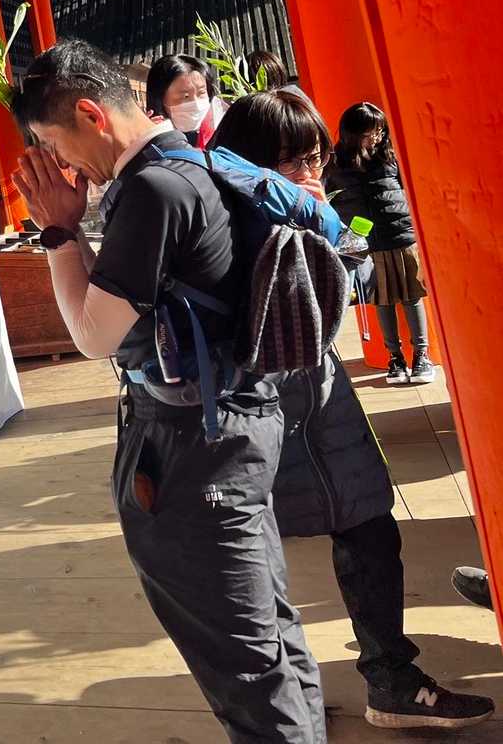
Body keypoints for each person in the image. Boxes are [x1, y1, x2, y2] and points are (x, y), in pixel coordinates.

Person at [11, 40, 324, 743]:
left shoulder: (152, 191)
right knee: (267, 636)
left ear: (90, 114)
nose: (60, 164)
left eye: (53, 143)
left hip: (193, 448)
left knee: (243, 662)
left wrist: (58, 231)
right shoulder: (191, 162)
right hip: (235, 425)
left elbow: (91, 333)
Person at [209, 91, 495, 732]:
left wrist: (331, 230)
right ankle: (281, 698)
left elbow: (355, 281)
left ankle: (391, 679)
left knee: (369, 529)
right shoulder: (223, 223)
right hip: (256, 409)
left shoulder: (314, 207)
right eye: (294, 161)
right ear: (252, 162)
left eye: (316, 158)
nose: (311, 173)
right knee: (254, 556)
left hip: (322, 398)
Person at [326, 102, 436, 385]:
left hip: (400, 233)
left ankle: (421, 355)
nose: (377, 136)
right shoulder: (336, 163)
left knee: (411, 296)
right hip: (365, 241)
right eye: (371, 131)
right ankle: (394, 358)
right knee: (381, 300)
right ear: (353, 132)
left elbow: (408, 188)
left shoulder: (389, 156)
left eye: (379, 130)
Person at [145, 53, 230, 147]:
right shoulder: (148, 137)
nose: (196, 105)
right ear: (160, 98)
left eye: (201, 93)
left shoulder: (222, 127)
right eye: (185, 96)